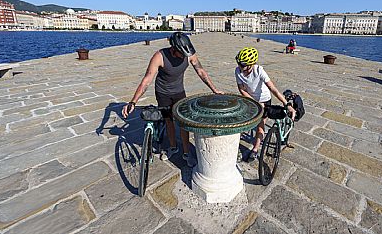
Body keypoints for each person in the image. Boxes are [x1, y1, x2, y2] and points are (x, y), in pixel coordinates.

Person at [122, 32, 222, 167]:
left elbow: (201, 71)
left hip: (179, 92)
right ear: (173, 49)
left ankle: (186, 152)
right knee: (169, 120)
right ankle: (173, 147)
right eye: (181, 54)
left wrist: (214, 90)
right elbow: (147, 80)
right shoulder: (159, 56)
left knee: (183, 122)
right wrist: (133, 102)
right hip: (162, 93)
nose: (184, 57)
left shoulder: (189, 54)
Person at [234, 47, 296, 161]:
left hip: (264, 99)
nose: (240, 67)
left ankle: (255, 149)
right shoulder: (238, 71)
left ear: (251, 64)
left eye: (243, 65)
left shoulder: (259, 71)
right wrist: (255, 102)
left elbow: (273, 89)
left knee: (260, 126)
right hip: (251, 99)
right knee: (242, 122)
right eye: (239, 64)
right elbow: (242, 90)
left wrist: (287, 104)